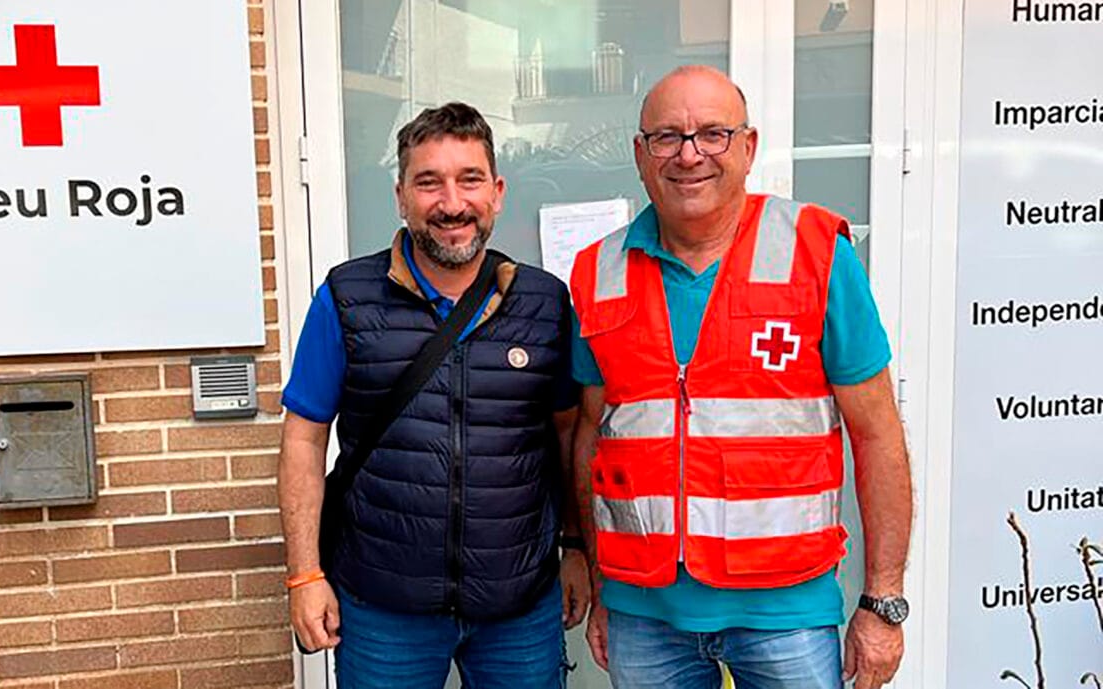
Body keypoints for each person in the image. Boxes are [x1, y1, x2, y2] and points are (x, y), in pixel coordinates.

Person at [568, 65, 912, 689]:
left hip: (787, 615)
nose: (690, 154)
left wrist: (882, 602)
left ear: (749, 147)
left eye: (713, 134)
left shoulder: (816, 251)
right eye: (668, 136)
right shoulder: (597, 271)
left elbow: (878, 434)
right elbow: (592, 437)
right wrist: (599, 583)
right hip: (643, 616)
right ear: (641, 156)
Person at [278, 102, 590, 689]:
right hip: (382, 605)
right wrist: (304, 574)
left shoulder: (545, 303)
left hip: (519, 605)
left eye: (469, 179)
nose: (452, 203)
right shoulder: (347, 299)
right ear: (401, 195)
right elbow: (303, 436)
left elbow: (569, 435)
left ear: (497, 192)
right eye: (429, 182)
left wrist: (576, 548)